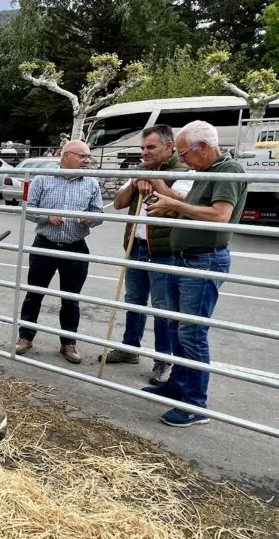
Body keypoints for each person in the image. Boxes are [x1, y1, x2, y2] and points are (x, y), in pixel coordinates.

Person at [144, 120, 248, 428]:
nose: (183, 159)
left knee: (192, 332)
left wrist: (174, 206)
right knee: (179, 328)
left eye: (184, 152)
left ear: (202, 147)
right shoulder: (206, 172)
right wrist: (168, 200)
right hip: (186, 259)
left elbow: (219, 215)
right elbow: (192, 206)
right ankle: (180, 386)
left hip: (203, 261)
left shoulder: (228, 172)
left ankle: (195, 405)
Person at [99, 125, 192, 384]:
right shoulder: (140, 169)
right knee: (133, 301)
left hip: (164, 251)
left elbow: (181, 203)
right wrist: (135, 185)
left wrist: (155, 181)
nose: (145, 152)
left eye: (150, 147)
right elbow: (118, 203)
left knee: (163, 308)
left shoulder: (183, 171)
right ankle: (130, 348)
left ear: (169, 147)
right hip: (136, 245)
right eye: (142, 148)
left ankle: (164, 359)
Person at [15, 140, 104, 364]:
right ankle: (25, 337)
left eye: (88, 157)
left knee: (71, 299)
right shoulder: (42, 179)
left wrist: (90, 220)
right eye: (83, 156)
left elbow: (99, 213)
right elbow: (27, 208)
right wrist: (47, 216)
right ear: (65, 156)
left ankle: (68, 343)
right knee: (34, 293)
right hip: (45, 244)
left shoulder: (91, 183)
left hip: (76, 246)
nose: (87, 161)